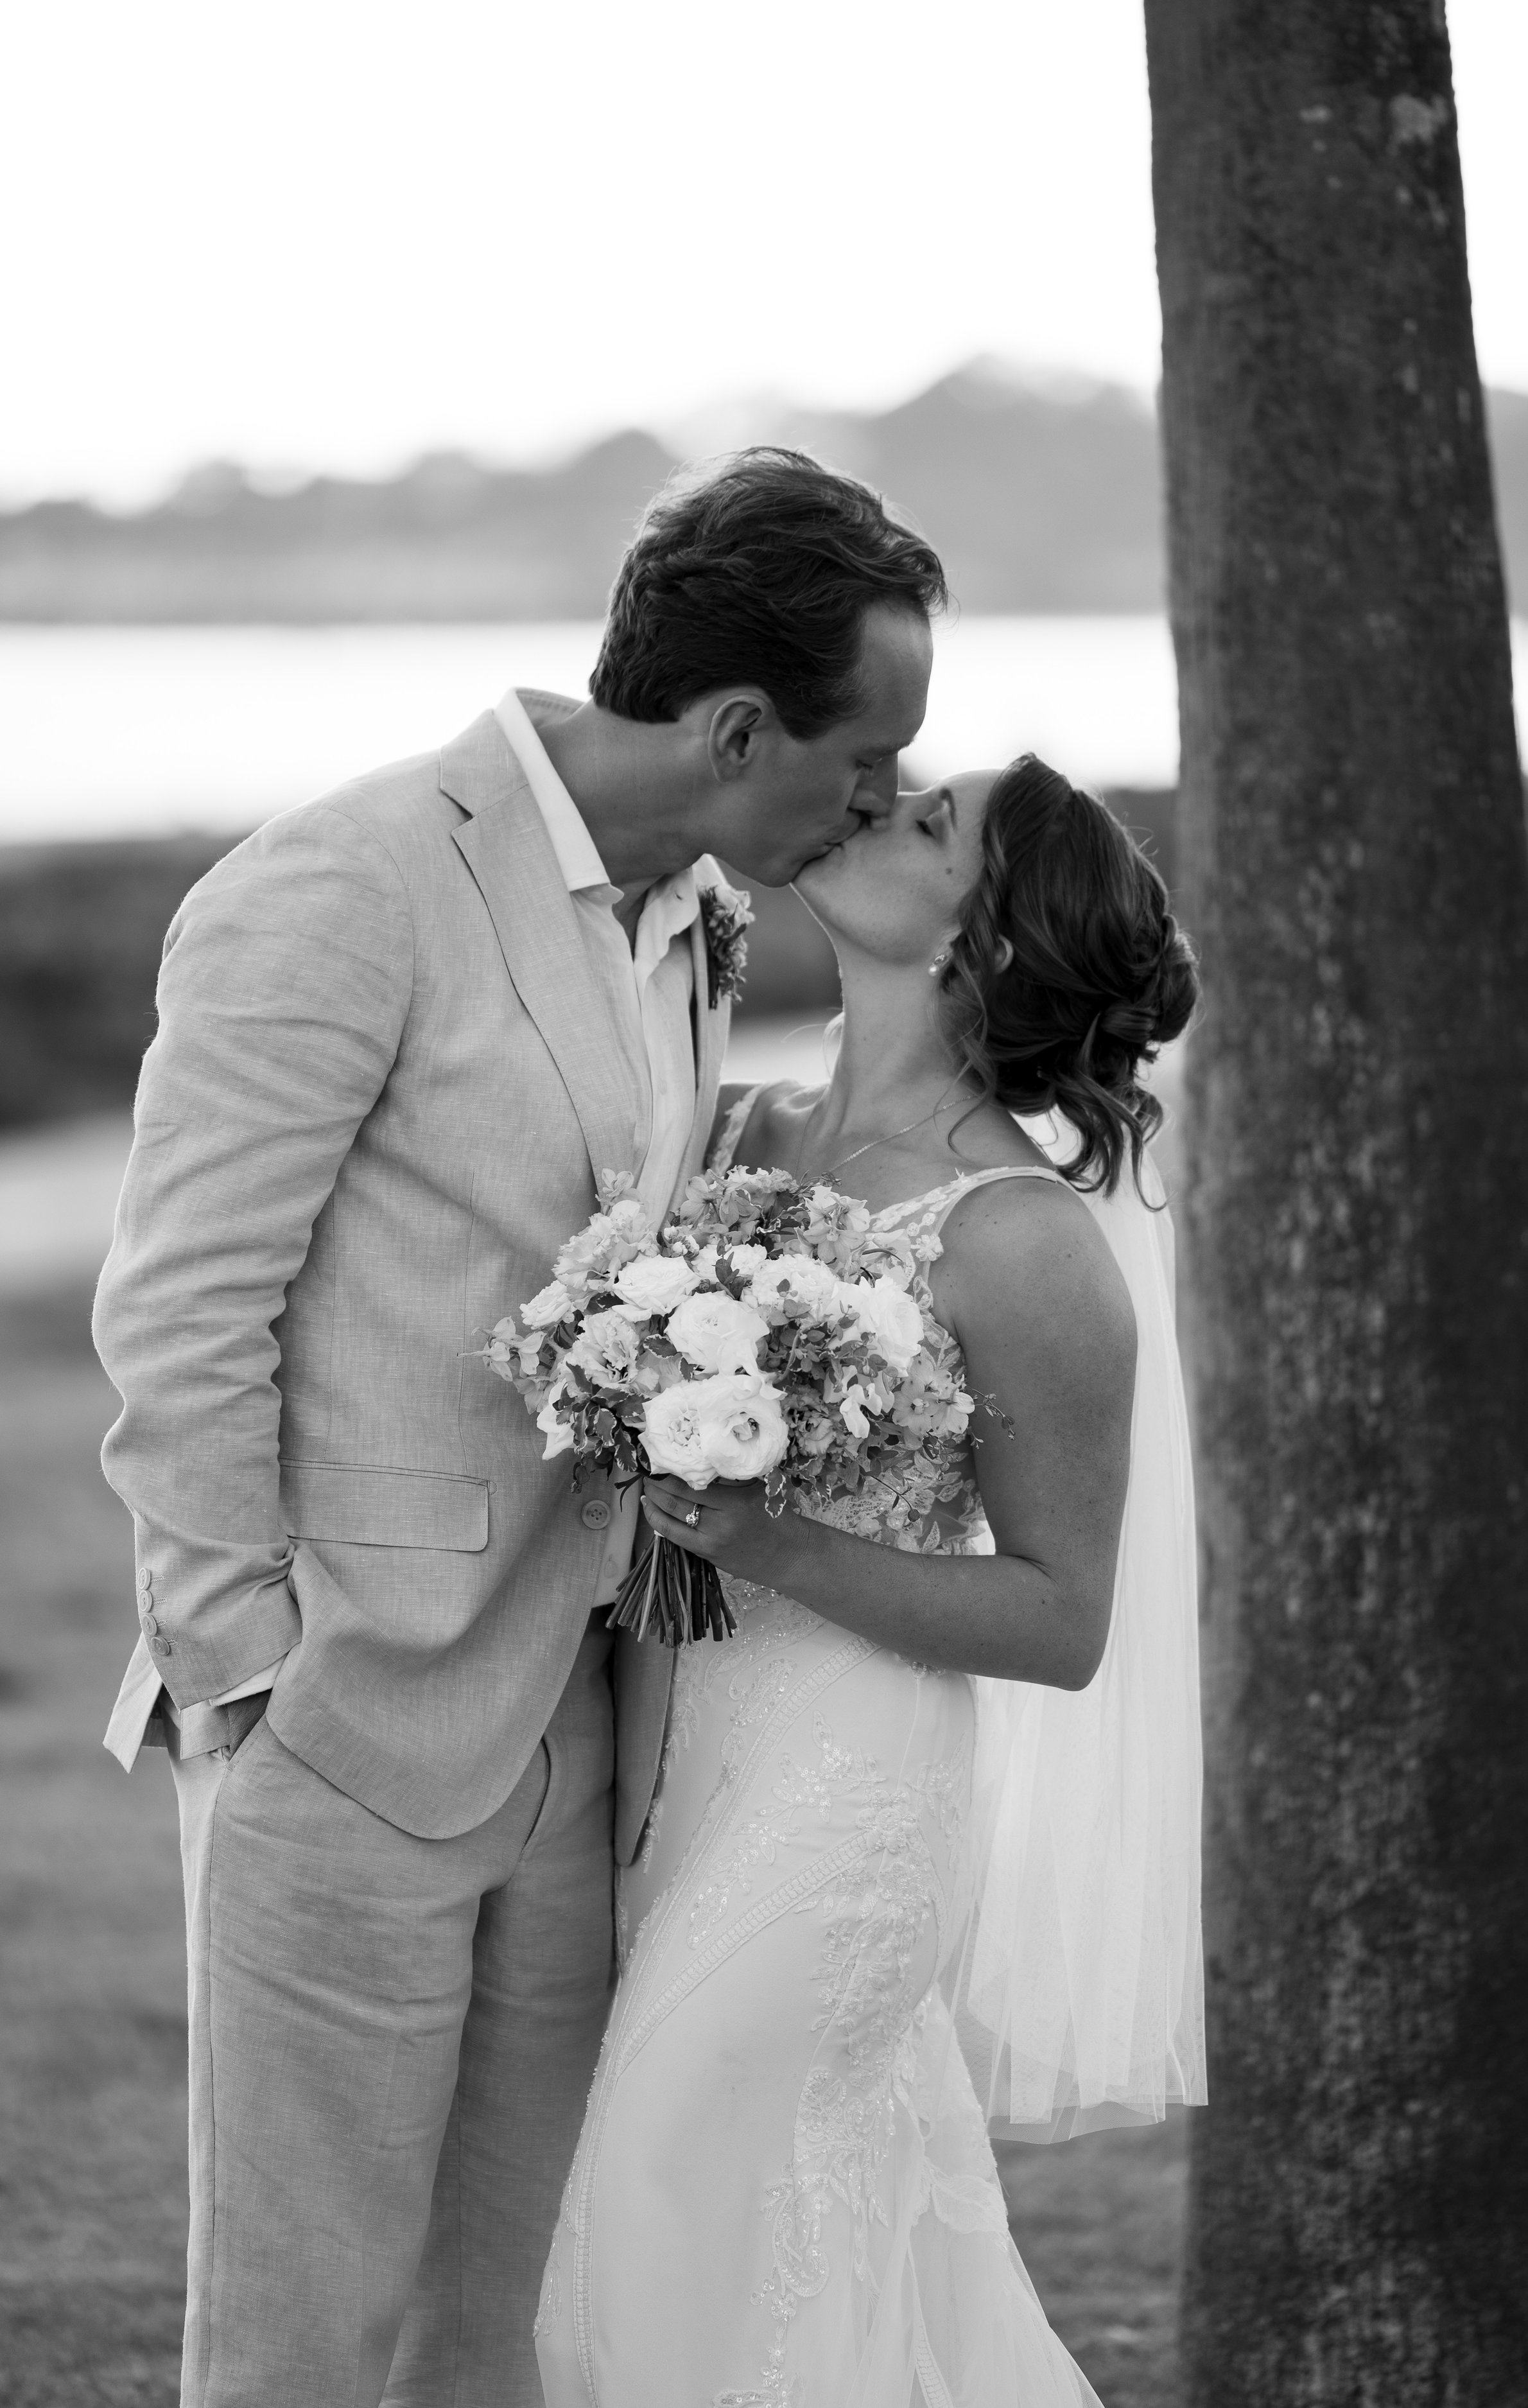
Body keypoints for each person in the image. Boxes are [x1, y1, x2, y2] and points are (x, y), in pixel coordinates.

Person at [92, 448, 945, 2407]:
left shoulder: (694, 915)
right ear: (737, 731)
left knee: (511, 2323)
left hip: (575, 1717)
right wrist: (248, 1674)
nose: (881, 793)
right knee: (301, 2330)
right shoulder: (344, 883)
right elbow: (181, 1304)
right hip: (339, 1710)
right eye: (866, 753)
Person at [536, 754, 1205, 2406]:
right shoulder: (734, 1126)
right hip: (651, 1754)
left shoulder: (1021, 1240)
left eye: (927, 822)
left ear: (982, 937)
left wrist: (772, 1542)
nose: (875, 803)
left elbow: (1060, 1620)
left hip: (842, 1794)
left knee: (656, 2197)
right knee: (743, 2235)